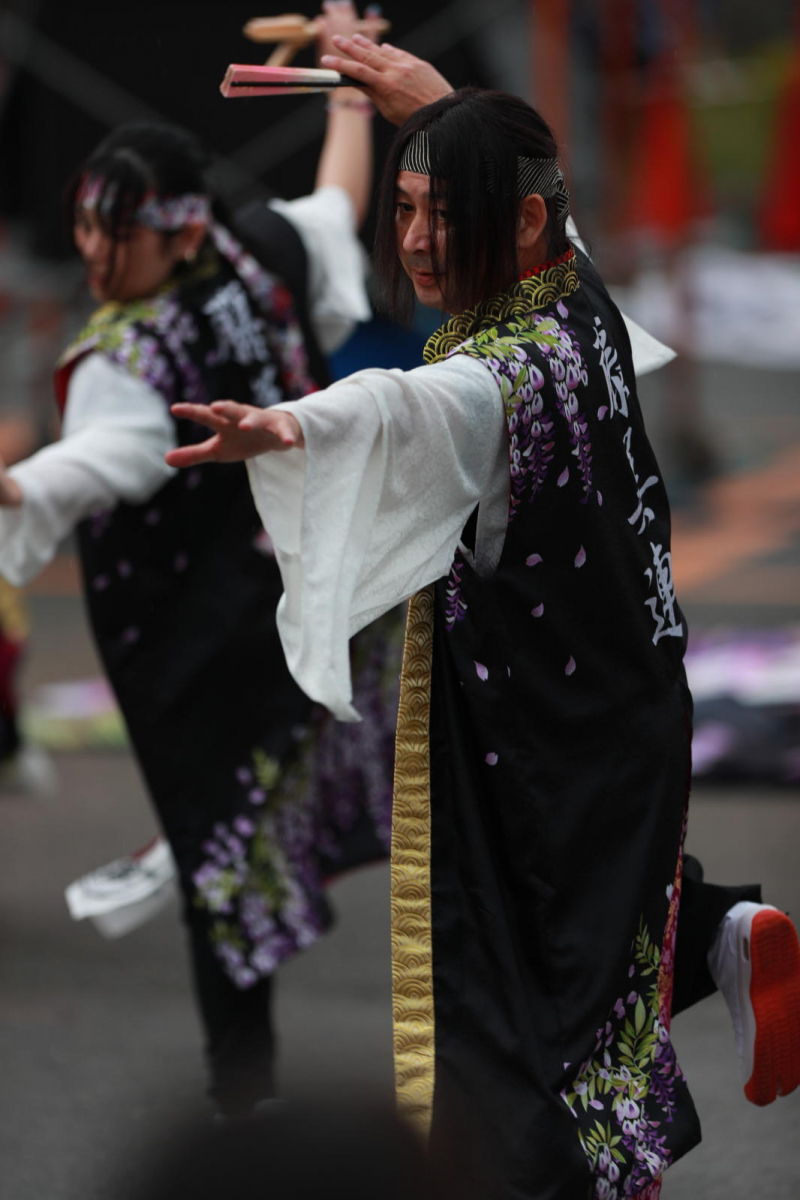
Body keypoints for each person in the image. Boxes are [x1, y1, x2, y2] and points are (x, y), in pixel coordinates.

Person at [167, 65, 800, 1198]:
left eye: (443, 212)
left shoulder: (487, 376)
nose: (414, 239)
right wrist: (432, 101)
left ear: (518, 221)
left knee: (511, 1039)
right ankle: (715, 929)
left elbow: (397, 405)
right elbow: (512, 198)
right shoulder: (580, 298)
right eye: (404, 208)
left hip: (534, 762)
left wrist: (283, 424)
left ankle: (699, 948)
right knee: (591, 998)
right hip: (628, 718)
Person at [0, 0, 400, 1119]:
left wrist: (17, 486)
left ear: (180, 231)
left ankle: (244, 1097)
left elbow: (96, 463)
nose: (91, 253)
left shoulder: (126, 359)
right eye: (84, 227)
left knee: (222, 860)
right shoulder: (255, 245)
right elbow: (337, 201)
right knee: (415, 781)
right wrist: (353, 97)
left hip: (207, 645)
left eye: (114, 234)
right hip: (324, 591)